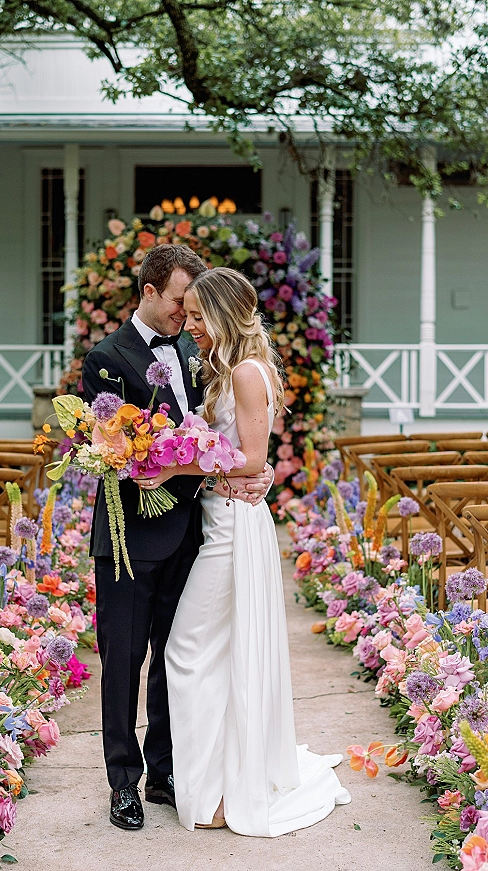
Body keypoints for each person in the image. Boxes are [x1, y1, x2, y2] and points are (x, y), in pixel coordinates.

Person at [141, 266, 351, 836]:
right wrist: (192, 461)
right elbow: (234, 455)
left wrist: (172, 465)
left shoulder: (246, 374)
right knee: (219, 654)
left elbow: (255, 459)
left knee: (185, 650)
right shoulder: (224, 371)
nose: (193, 327)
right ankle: (222, 780)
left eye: (203, 317)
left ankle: (224, 788)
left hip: (234, 530)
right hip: (222, 518)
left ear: (227, 316)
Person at [81, 246, 272, 831]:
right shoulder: (106, 359)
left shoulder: (198, 352)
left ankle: (165, 772)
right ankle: (123, 782)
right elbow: (105, 445)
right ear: (149, 291)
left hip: (197, 530)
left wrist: (251, 468)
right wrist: (230, 465)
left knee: (175, 656)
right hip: (130, 535)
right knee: (123, 660)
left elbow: (228, 434)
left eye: (193, 310)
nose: (185, 321)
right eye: (177, 306)